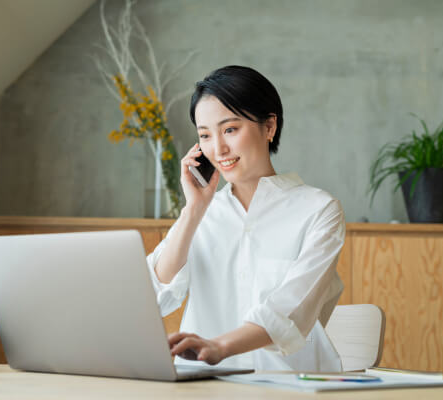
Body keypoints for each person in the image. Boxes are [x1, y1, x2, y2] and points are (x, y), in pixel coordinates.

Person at [146, 65, 345, 371]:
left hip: (288, 387)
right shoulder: (202, 213)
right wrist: (193, 210)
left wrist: (219, 346)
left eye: (230, 129)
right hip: (205, 386)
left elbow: (288, 311)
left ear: (269, 127)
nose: (218, 148)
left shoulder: (319, 210)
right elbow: (155, 297)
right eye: (205, 135)